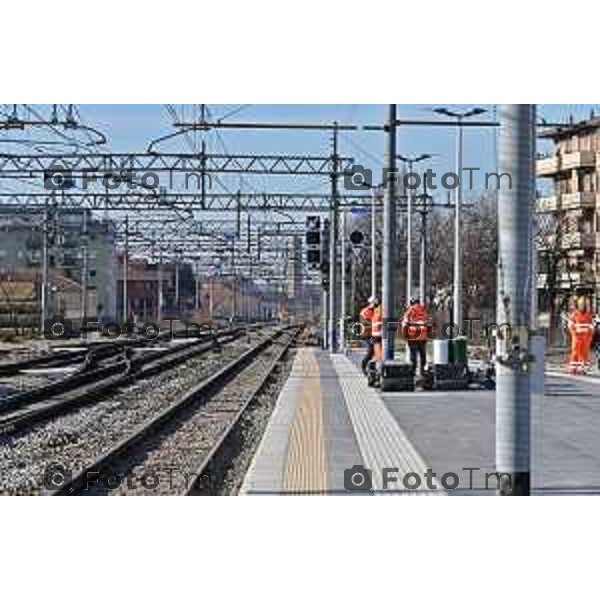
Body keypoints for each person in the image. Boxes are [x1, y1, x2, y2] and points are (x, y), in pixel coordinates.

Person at [401, 297, 430, 376]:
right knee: (422, 354)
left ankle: (413, 372)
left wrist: (405, 335)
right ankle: (422, 371)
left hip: (412, 337)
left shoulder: (409, 311)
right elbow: (428, 324)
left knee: (413, 355)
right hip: (423, 337)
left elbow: (405, 324)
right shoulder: (423, 310)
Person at [567, 297, 595, 375]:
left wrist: (589, 336)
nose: (586, 306)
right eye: (585, 304)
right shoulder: (575, 314)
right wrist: (574, 334)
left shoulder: (589, 316)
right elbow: (570, 325)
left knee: (584, 353)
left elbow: (592, 327)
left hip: (585, 338)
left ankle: (582, 368)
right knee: (575, 352)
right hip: (577, 337)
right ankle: (573, 368)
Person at [359, 295, 382, 374]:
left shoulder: (375, 311)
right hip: (367, 335)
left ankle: (371, 367)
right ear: (371, 303)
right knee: (371, 350)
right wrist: (373, 323)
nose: (377, 304)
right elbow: (364, 322)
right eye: (375, 303)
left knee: (376, 351)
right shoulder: (365, 311)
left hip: (374, 334)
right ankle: (364, 365)